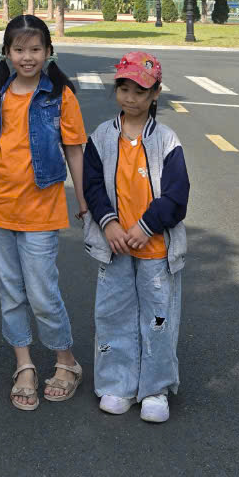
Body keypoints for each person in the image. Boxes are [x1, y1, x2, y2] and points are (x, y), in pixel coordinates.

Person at [0, 14, 87, 411]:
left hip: (41, 209)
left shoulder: (59, 96)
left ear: (48, 52)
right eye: (19, 49)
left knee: (42, 292)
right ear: (6, 52)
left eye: (35, 49)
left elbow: (74, 148)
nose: (27, 57)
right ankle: (24, 365)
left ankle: (65, 361)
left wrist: (84, 200)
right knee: (10, 292)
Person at [82, 51, 189, 424]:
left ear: (156, 93)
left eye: (141, 91)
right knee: (113, 315)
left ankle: (155, 388)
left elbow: (177, 196)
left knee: (158, 319)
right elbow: (92, 186)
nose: (131, 98)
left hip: (155, 250)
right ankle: (117, 383)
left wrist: (147, 226)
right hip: (114, 249)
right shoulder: (101, 137)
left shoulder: (166, 140)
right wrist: (109, 224)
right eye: (124, 89)